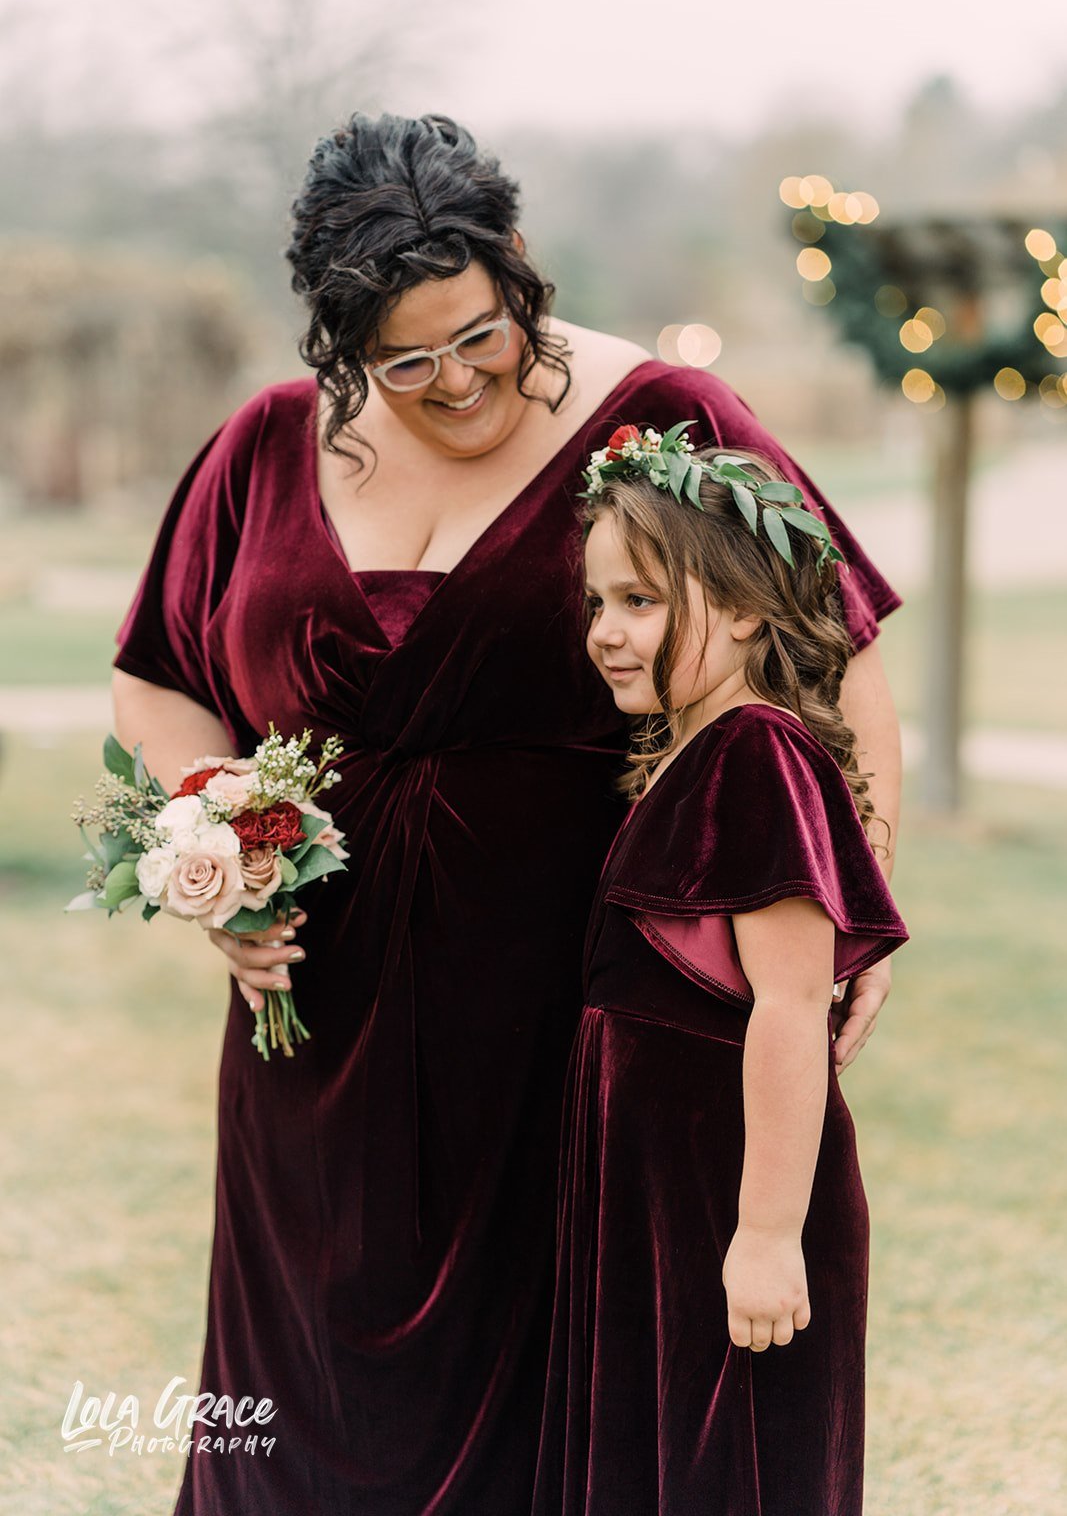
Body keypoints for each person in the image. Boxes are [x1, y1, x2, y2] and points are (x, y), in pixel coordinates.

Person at [111, 112, 903, 1515]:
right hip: (319, 1047)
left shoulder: (664, 415)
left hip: (574, 1038)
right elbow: (160, 684)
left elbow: (834, 647)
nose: (454, 382)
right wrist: (222, 852)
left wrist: (855, 912)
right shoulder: (262, 445)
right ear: (336, 341)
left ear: (516, 266)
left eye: (477, 334)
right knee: (303, 1407)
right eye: (401, 361)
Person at [531, 427, 909, 1516]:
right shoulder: (688, 752)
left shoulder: (757, 753)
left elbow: (790, 1009)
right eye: (597, 602)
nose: (606, 632)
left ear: (745, 609)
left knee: (726, 1467)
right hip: (657, 1191)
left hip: (729, 1191)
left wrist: (762, 1234)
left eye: (641, 602)